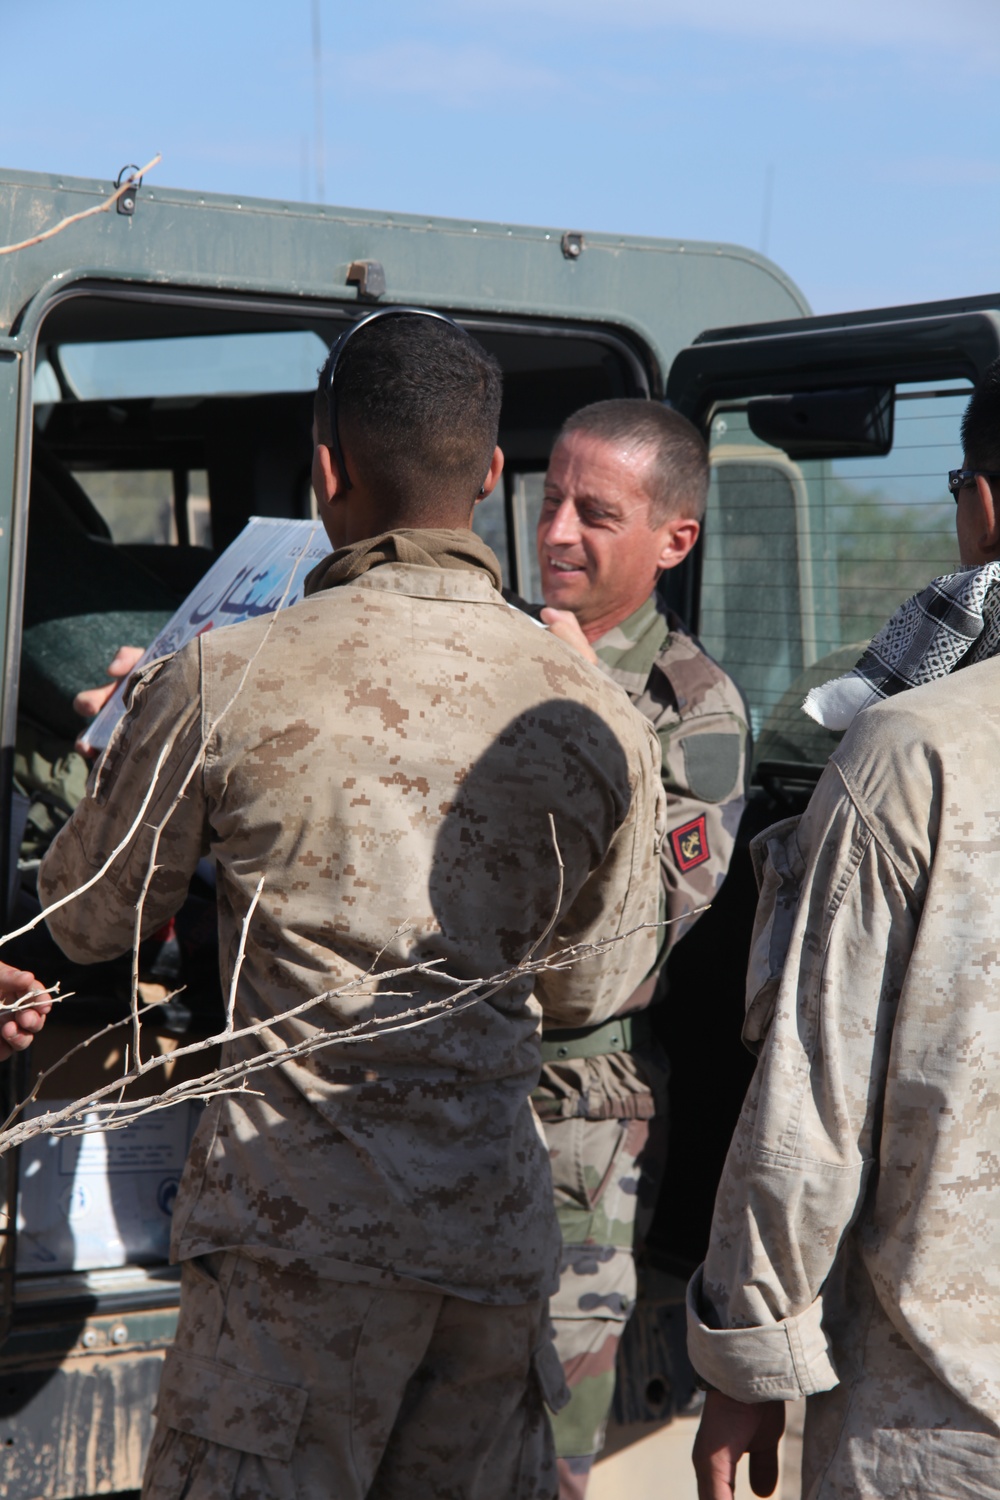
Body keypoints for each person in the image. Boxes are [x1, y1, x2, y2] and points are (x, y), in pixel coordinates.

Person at [37, 310, 665, 1500]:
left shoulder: (224, 675)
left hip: (294, 1260)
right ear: (489, 476)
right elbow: (589, 991)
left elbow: (87, 919)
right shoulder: (597, 713)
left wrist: (113, 755)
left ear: (325, 471)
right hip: (488, 1249)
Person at [688, 358, 1000, 1500]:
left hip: (940, 1414)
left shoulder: (914, 749)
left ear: (979, 504)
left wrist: (746, 1361)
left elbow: (814, 1097)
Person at [529, 399, 750, 1498]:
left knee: (547, 1449)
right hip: (442, 1088)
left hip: (578, 1116)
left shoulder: (689, 708)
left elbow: (639, 932)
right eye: (549, 499)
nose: (558, 531)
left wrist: (575, 697)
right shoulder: (493, 644)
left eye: (595, 513)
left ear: (673, 540)